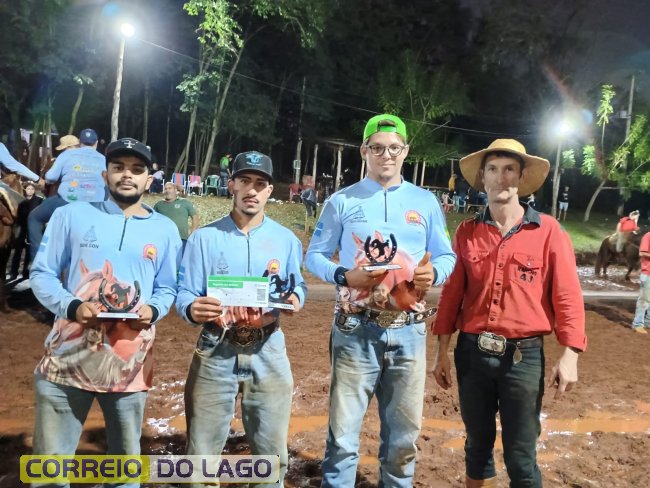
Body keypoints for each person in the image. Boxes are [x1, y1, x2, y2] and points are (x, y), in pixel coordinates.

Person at [305, 114, 456, 486]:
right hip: (355, 329)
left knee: (403, 440)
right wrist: (344, 276)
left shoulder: (425, 202)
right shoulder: (341, 201)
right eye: (377, 148)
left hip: (409, 332)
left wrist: (434, 273)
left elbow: (446, 256)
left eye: (393, 148)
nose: (386, 155)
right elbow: (314, 256)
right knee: (342, 438)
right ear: (364, 151)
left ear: (405, 151)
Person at [432, 139, 587, 488]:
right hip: (472, 355)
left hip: (523, 359)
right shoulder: (467, 232)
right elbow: (452, 295)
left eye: (509, 170)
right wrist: (441, 351)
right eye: (493, 169)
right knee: (476, 447)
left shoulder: (548, 232)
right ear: (483, 178)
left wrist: (571, 354)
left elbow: (567, 296)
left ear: (520, 177)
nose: (501, 178)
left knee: (521, 456)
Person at [29, 137, 181, 486]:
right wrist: (71, 306)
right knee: (49, 472)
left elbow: (168, 287)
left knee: (124, 472)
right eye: (118, 167)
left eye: (137, 169)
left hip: (129, 366)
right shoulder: (70, 215)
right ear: (105, 174)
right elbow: (42, 274)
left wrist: (154, 309)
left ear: (149, 179)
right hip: (67, 361)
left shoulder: (165, 229)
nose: (127, 175)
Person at [176, 151, 307, 487]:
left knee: (272, 457)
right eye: (245, 181)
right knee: (201, 456)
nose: (252, 190)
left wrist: (296, 298)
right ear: (231, 184)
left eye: (260, 183)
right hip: (216, 347)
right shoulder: (204, 238)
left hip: (268, 348)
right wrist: (192, 309)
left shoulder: (286, 240)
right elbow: (185, 293)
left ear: (269, 190)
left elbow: (297, 285)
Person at [28, 128, 106, 260]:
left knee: (34, 218)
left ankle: (38, 258)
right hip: (95, 205)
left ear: (80, 142)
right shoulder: (103, 159)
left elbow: (50, 177)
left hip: (67, 201)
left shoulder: (67, 155)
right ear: (96, 143)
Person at [9, 182, 43, 281]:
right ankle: (14, 272)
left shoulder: (39, 200)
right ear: (25, 190)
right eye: (28, 189)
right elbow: (18, 217)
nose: (30, 191)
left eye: (32, 189)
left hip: (33, 229)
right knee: (17, 251)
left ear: (34, 190)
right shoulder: (21, 202)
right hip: (22, 228)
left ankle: (26, 272)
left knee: (29, 251)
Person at [154, 181, 199, 251]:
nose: (167, 190)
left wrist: (192, 232)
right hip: (164, 240)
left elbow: (195, 217)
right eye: (165, 189)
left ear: (175, 190)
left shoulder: (185, 202)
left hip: (182, 239)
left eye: (170, 188)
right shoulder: (159, 205)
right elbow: (153, 220)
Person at [632, 230, 650, 333]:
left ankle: (648, 322)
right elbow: (642, 252)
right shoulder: (648, 236)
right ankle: (638, 324)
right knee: (644, 300)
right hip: (648, 273)